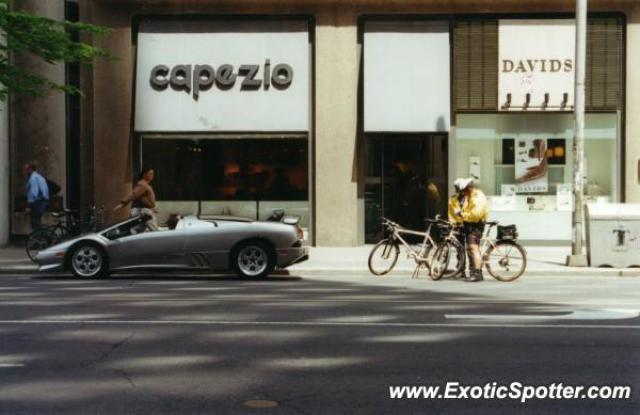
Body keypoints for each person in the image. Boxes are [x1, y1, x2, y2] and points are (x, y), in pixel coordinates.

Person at [448, 177, 489, 282]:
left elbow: (475, 214)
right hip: (467, 225)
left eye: (463, 190)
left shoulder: (476, 197)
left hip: (474, 225)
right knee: (470, 248)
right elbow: (454, 212)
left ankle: (476, 272)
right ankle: (471, 271)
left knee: (473, 248)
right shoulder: (468, 196)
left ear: (468, 189)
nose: (462, 193)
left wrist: (463, 215)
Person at [113, 166, 158, 231]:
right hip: (143, 211)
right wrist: (122, 203)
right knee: (154, 231)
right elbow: (134, 195)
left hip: (144, 210)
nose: (152, 175)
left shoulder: (145, 184)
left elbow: (143, 199)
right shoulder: (143, 184)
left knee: (137, 231)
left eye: (153, 174)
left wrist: (152, 207)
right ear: (144, 175)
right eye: (150, 173)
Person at [24, 162, 50, 232]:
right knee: (37, 221)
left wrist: (29, 206)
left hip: (37, 202)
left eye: (26, 169)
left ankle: (41, 236)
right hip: (42, 201)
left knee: (34, 222)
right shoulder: (39, 177)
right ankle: (42, 236)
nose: (25, 171)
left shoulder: (33, 178)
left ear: (31, 169)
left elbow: (34, 192)